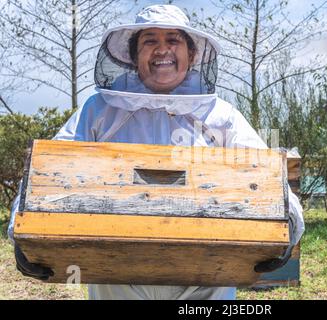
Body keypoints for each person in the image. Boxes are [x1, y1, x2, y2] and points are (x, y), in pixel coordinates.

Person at [8, 4, 304, 300]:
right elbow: (46, 172)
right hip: (116, 270)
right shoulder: (98, 110)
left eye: (173, 40)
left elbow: (266, 178)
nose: (162, 50)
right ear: (135, 56)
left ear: (192, 54)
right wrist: (19, 234)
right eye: (150, 41)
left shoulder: (221, 115)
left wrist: (288, 226)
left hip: (206, 274)